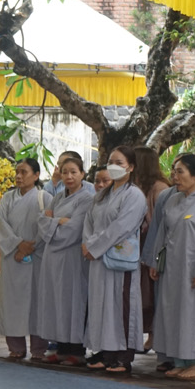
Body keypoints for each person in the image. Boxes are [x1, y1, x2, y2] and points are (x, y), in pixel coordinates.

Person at [82, 146, 148, 374]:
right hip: (98, 259)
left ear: (130, 167)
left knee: (121, 305)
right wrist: (88, 244)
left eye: (119, 162)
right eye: (111, 161)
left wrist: (95, 246)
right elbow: (89, 222)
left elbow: (121, 227)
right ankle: (105, 351)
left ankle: (123, 355)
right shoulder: (102, 194)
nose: (114, 166)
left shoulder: (134, 196)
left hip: (119, 260)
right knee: (101, 305)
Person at [146, 154, 195, 380]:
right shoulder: (172, 200)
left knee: (193, 314)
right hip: (171, 269)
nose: (175, 177)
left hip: (193, 269)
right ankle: (179, 360)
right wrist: (156, 262)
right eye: (174, 171)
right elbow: (162, 234)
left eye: (180, 172)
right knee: (173, 313)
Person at [34, 156, 96, 366]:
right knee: (55, 301)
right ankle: (60, 347)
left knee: (73, 301)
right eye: (65, 172)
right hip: (52, 258)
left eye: (73, 172)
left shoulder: (86, 199)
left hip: (72, 258)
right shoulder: (58, 197)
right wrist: (57, 221)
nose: (69, 176)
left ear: (82, 174)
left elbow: (74, 230)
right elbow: (41, 222)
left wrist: (52, 222)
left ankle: (76, 350)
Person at [0, 158, 51, 360]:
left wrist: (29, 247)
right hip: (12, 259)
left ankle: (38, 349)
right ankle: (16, 348)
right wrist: (19, 245)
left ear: (36, 176)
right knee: (12, 303)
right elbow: (2, 226)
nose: (18, 176)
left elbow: (46, 229)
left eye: (24, 172)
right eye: (17, 172)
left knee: (37, 302)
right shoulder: (7, 198)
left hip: (35, 258)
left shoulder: (44, 198)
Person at [132, 146, 170, 352]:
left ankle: (155, 336)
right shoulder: (138, 186)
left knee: (152, 295)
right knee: (141, 295)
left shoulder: (159, 188)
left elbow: (159, 224)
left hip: (151, 247)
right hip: (136, 248)